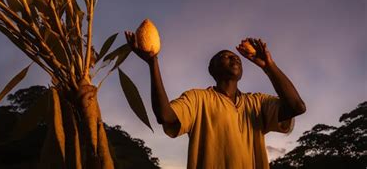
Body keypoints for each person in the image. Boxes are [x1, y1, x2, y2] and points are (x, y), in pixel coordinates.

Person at [124, 33, 306, 169]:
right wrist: (152, 62)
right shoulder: (197, 98)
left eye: (236, 57)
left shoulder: (257, 103)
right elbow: (165, 115)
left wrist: (269, 66)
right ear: (212, 69)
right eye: (225, 56)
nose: (234, 58)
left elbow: (296, 106)